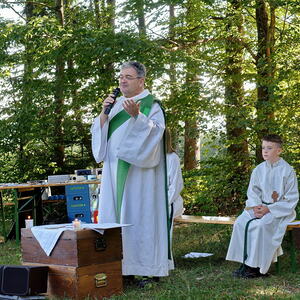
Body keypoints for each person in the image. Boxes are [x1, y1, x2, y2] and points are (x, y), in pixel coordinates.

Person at [91, 61, 172, 287]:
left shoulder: (152, 105)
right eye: (120, 77)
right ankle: (121, 269)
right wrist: (103, 116)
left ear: (141, 81)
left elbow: (157, 133)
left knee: (139, 219)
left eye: (128, 77)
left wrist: (138, 117)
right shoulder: (115, 105)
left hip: (139, 177)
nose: (122, 81)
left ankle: (146, 271)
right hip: (114, 171)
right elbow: (101, 140)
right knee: (115, 219)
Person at [226, 134, 299, 278]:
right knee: (240, 222)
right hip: (259, 207)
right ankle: (245, 262)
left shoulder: (287, 171)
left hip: (280, 210)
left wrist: (269, 209)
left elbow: (291, 198)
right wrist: (255, 207)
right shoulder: (259, 169)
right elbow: (253, 192)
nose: (265, 151)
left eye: (269, 148)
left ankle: (256, 267)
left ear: (279, 150)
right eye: (263, 148)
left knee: (261, 226)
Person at [165, 128, 184, 221]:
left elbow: (176, 186)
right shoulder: (149, 158)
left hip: (169, 203)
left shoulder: (172, 158)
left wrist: (162, 204)